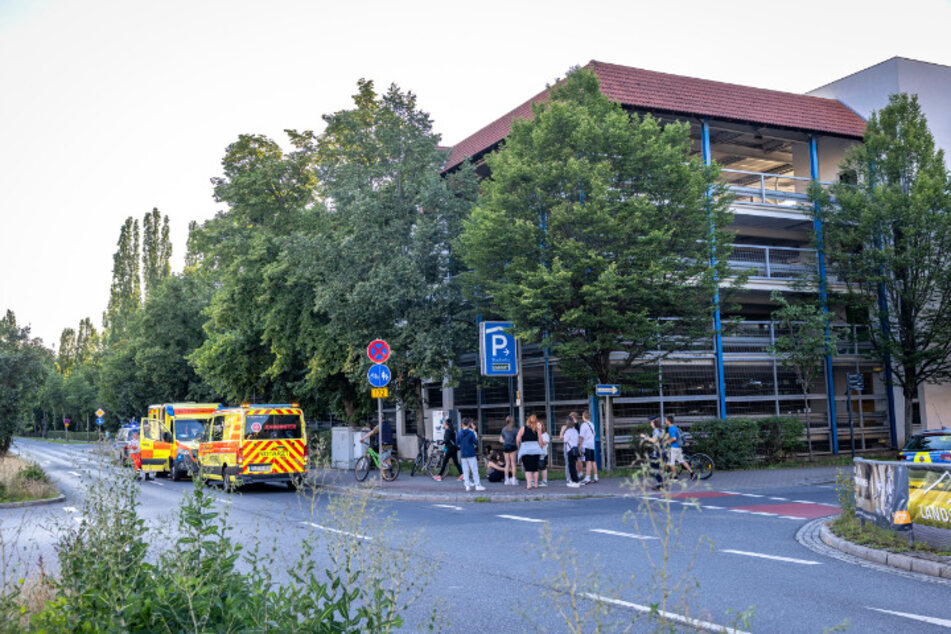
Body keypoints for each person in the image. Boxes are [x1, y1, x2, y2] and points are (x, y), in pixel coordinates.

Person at [516, 414, 546, 490]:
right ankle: (536, 484)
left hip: (526, 451)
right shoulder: (537, 429)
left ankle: (529, 484)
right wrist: (541, 449)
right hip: (536, 451)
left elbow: (518, 439)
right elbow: (540, 441)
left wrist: (519, 447)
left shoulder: (523, 428)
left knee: (528, 469)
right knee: (535, 469)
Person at [457, 418, 485, 492]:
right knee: (474, 470)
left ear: (462, 424)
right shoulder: (471, 433)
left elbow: (457, 443)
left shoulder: (459, 433)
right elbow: (476, 442)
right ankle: (477, 485)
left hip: (463, 454)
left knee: (465, 471)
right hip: (471, 453)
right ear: (469, 424)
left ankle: (467, 486)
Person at [665, 415, 695, 480]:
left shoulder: (671, 428)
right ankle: (692, 473)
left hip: (674, 447)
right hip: (678, 447)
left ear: (668, 421)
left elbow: (674, 438)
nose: (665, 421)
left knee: (671, 462)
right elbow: (669, 434)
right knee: (682, 461)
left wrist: (667, 442)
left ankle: (675, 477)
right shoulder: (674, 427)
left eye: (665, 420)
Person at [433, 415, 463, 482]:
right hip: (454, 448)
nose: (443, 424)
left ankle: (439, 476)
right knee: (456, 462)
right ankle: (462, 474)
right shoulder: (452, 430)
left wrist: (442, 442)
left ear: (446, 424)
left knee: (444, 462)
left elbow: (447, 440)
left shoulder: (447, 430)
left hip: (449, 448)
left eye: (444, 423)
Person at [640, 417, 667, 490]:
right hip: (662, 450)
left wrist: (645, 437)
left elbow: (654, 440)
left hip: (657, 452)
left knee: (651, 468)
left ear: (654, 423)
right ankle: (660, 484)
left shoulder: (656, 431)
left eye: (651, 422)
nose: (650, 424)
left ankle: (662, 483)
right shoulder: (661, 430)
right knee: (657, 468)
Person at [579, 410, 599, 485]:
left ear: (583, 416)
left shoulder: (583, 425)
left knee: (588, 461)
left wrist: (579, 446)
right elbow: (594, 434)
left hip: (586, 445)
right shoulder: (592, 424)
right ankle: (596, 477)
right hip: (592, 445)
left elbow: (581, 437)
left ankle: (587, 478)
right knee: (593, 461)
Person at [558, 412, 580, 481]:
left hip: (574, 446)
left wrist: (576, 422)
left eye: (573, 418)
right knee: (568, 463)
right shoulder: (564, 427)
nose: (571, 419)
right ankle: (569, 477)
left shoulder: (575, 427)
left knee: (574, 463)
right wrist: (565, 436)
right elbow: (561, 436)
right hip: (567, 446)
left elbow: (578, 434)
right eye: (570, 417)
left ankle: (575, 477)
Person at [499, 416, 519, 485]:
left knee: (507, 463)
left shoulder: (503, 429)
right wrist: (518, 447)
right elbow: (517, 440)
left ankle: (506, 479)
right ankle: (513, 479)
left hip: (506, 447)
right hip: (513, 447)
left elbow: (501, 440)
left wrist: (506, 442)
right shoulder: (515, 429)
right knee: (513, 463)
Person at [562, 418, 582, 488]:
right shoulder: (575, 431)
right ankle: (576, 480)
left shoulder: (567, 432)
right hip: (575, 449)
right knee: (574, 465)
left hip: (570, 450)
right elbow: (577, 441)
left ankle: (575, 481)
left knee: (571, 466)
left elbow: (565, 441)